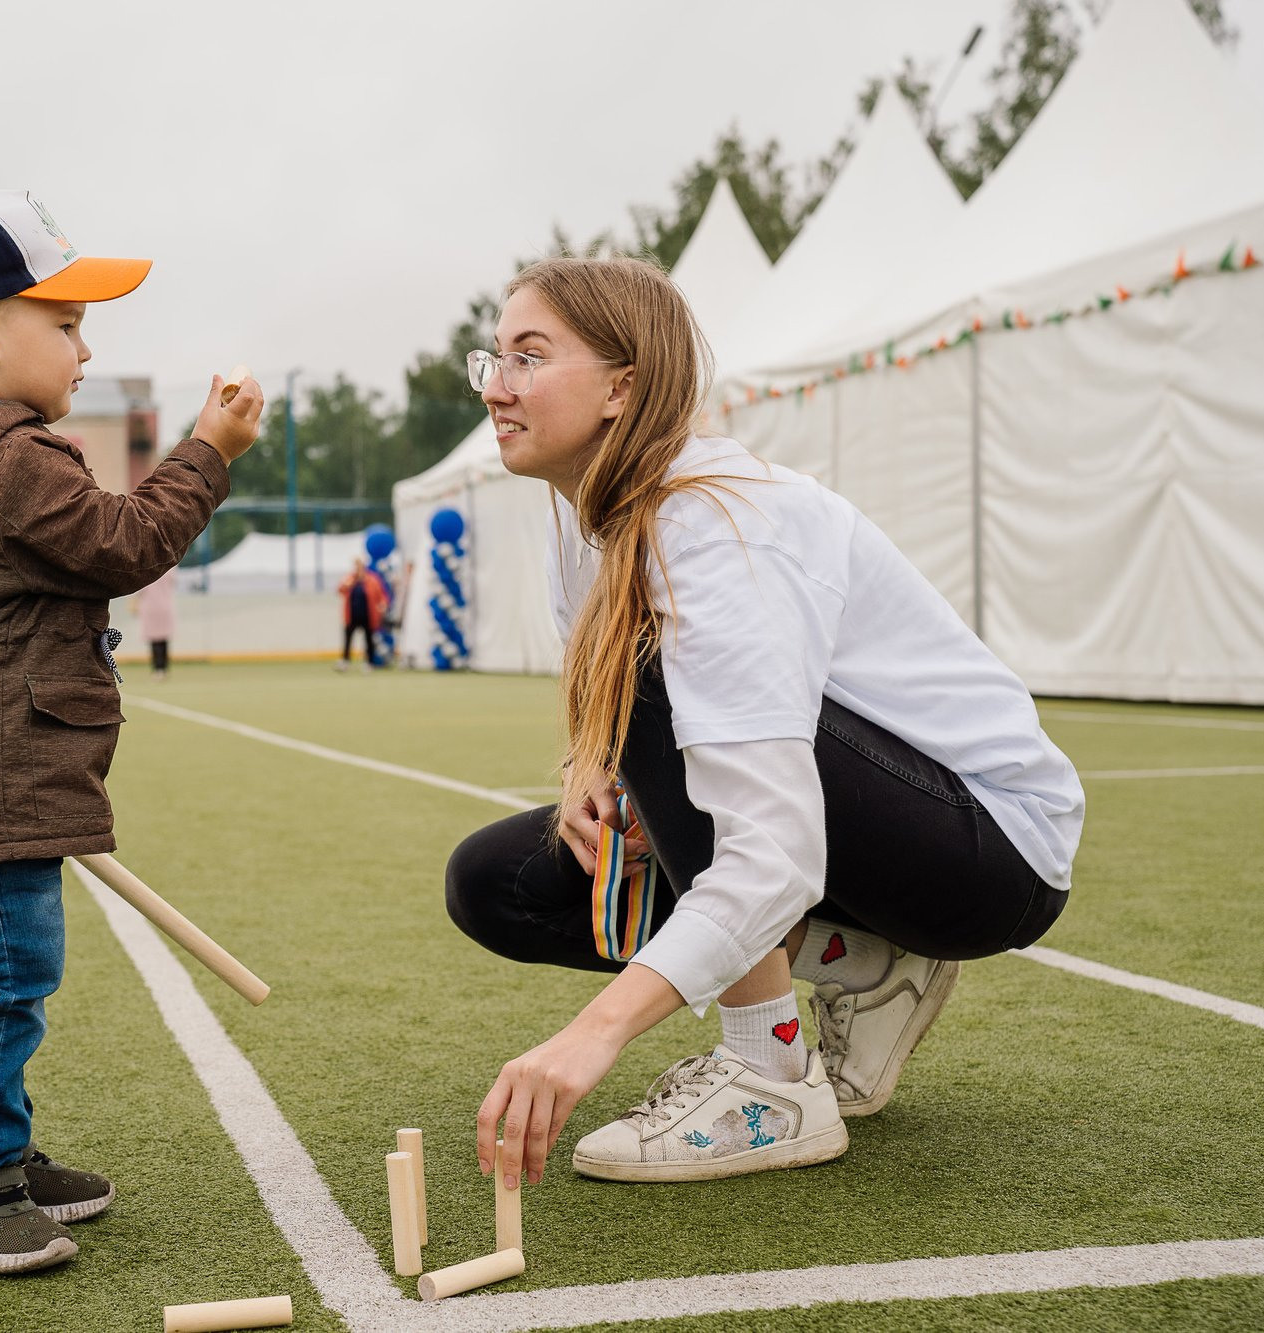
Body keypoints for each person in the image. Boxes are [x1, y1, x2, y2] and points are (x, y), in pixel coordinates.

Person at [444, 257, 1085, 1192]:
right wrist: (601, 779)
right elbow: (629, 736)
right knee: (500, 881)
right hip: (859, 840)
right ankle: (863, 961)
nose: (496, 388)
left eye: (528, 358)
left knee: (656, 680)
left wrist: (592, 1037)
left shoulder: (716, 524)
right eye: (492, 358)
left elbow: (774, 850)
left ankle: (770, 1078)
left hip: (991, 850)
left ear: (623, 386)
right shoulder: (585, 514)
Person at [0, 189, 263, 1274]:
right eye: (65, 324)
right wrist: (208, 450)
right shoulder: (13, 459)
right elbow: (124, 545)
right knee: (4, 967)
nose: (86, 348)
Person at [336, 555, 387, 671]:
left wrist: (382, 605)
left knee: (368, 640)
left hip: (368, 615)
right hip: (352, 615)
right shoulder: (350, 579)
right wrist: (348, 584)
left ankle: (369, 663)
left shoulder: (372, 580)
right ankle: (345, 661)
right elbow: (340, 590)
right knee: (348, 639)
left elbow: (382, 595)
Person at [133, 565, 179, 678]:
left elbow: (139, 588)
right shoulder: (171, 567)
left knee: (155, 640)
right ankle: (163, 667)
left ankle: (158, 668)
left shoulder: (146, 567)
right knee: (163, 639)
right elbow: (174, 582)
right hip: (165, 605)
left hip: (150, 606)